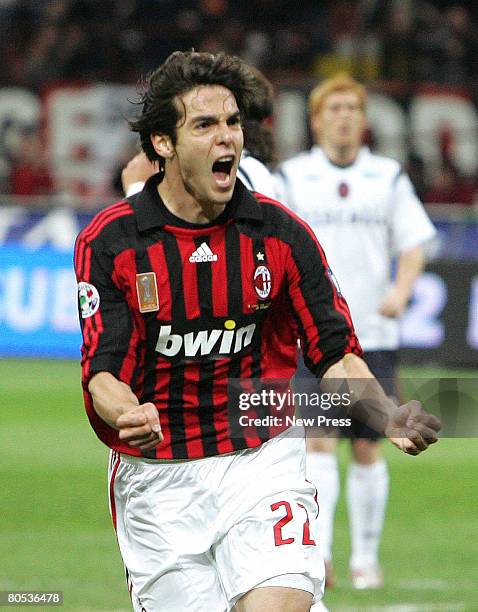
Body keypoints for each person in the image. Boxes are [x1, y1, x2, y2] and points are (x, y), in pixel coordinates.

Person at [74, 52, 440, 612]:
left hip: (261, 459)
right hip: (159, 480)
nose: (227, 138)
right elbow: (104, 368)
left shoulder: (282, 233)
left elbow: (333, 351)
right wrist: (125, 410)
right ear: (163, 143)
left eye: (232, 122)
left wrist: (384, 412)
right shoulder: (112, 242)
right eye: (204, 125)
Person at [277, 73, 437, 590]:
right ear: (316, 119)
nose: (345, 116)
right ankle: (319, 556)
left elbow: (414, 242)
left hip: (374, 334)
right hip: (314, 339)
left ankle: (365, 558)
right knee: (318, 441)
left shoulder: (387, 177)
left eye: (353, 107)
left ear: (364, 120)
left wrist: (403, 287)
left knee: (370, 446)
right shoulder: (293, 178)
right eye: (335, 107)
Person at [121, 66, 279, 200]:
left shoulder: (241, 174)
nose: (224, 136)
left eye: (231, 122)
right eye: (204, 125)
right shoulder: (257, 172)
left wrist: (136, 189)